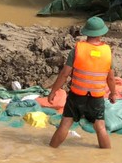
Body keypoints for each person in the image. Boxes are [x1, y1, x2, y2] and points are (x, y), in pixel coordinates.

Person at [48, 17, 117, 149]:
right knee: (100, 127)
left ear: (86, 32)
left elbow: (64, 74)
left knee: (65, 124)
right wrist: (113, 93)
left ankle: (51, 150)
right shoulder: (107, 53)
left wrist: (53, 91)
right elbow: (111, 78)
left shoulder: (77, 50)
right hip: (96, 98)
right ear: (101, 33)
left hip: (77, 96)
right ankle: (106, 156)